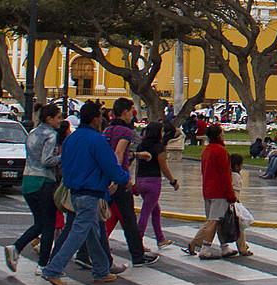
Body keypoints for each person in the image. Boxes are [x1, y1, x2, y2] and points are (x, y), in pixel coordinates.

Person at [40, 104, 131, 285]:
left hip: (75, 191)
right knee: (79, 232)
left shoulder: (71, 139)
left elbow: (64, 164)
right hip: (91, 191)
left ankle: (101, 270)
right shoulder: (97, 140)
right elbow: (110, 165)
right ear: (96, 118)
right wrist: (124, 179)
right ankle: (53, 269)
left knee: (92, 232)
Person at [7, 103, 64, 272]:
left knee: (40, 222)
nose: (60, 121)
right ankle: (43, 263)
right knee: (48, 225)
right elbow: (47, 160)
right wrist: (63, 156)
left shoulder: (32, 132)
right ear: (49, 118)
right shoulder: (51, 135)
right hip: (44, 181)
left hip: (28, 180)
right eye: (58, 117)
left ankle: (16, 248)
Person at [186, 124, 250, 257]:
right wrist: (230, 194)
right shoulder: (221, 151)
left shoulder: (206, 150)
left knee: (219, 219)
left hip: (208, 189)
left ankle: (224, 247)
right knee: (214, 220)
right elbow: (225, 175)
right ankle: (205, 249)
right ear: (219, 135)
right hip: (219, 191)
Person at [102, 99, 153, 265]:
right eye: (131, 111)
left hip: (106, 177)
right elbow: (118, 153)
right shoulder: (125, 131)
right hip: (119, 180)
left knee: (101, 218)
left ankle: (85, 252)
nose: (132, 114)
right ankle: (137, 255)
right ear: (124, 112)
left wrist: (137, 155)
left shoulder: (108, 130)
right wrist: (118, 178)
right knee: (129, 219)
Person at [135, 114, 179, 248]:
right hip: (153, 182)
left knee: (155, 210)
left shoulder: (141, 146)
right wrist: (173, 181)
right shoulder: (159, 147)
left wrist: (136, 182)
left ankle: (160, 238)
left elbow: (137, 165)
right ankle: (137, 241)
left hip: (141, 180)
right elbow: (163, 167)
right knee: (145, 212)